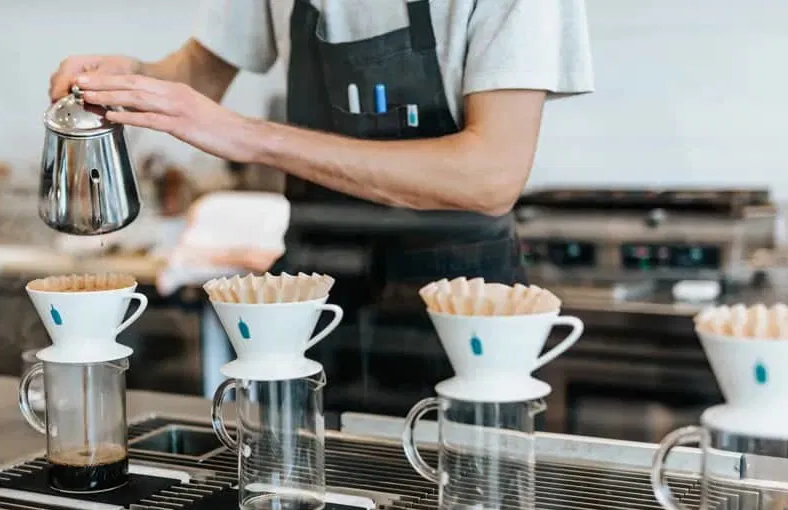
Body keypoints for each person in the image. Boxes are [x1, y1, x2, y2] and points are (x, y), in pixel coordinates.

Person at [50, 0, 594, 413]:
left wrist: (249, 138)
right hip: (313, 298)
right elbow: (200, 73)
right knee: (298, 496)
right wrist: (128, 76)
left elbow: (489, 175)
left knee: (457, 508)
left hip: (461, 306)